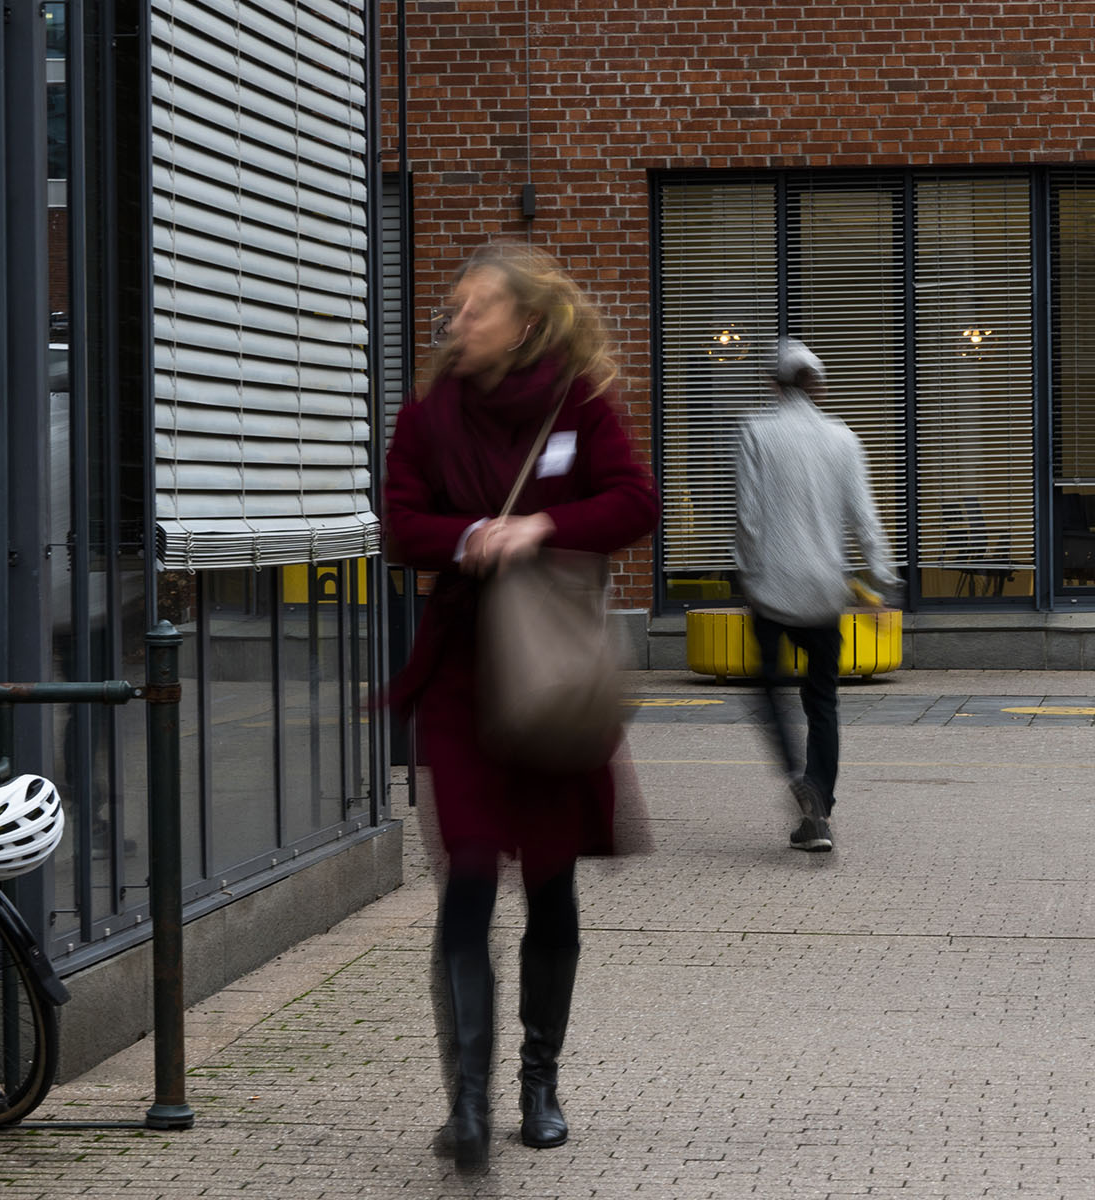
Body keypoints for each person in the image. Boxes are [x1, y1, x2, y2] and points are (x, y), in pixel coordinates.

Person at [384, 243, 661, 1169]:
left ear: (529, 322)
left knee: (549, 880)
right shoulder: (426, 417)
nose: (456, 320)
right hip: (463, 679)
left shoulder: (576, 404)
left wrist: (542, 527)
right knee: (466, 875)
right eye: (454, 307)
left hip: (549, 680)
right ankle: (466, 1103)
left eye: (477, 307)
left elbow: (635, 501)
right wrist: (470, 536)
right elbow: (398, 524)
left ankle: (539, 1082)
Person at [735, 338, 897, 853]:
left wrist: (744, 570)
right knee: (822, 698)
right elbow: (865, 518)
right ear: (817, 385)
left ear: (773, 383)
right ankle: (818, 806)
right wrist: (882, 580)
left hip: (773, 588)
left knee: (768, 686)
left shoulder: (756, 432)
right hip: (825, 591)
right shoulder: (843, 438)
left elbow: (749, 515)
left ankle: (794, 773)